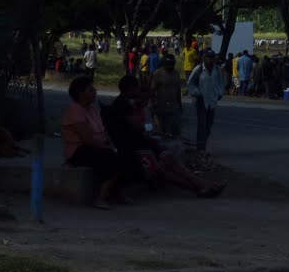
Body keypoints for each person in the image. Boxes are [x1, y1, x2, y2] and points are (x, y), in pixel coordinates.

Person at [104, 75, 225, 198]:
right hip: (135, 146)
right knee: (169, 167)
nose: (138, 92)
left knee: (171, 166)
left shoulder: (126, 103)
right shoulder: (124, 105)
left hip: (138, 144)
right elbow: (139, 126)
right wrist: (138, 110)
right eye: (136, 88)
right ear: (130, 89)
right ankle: (200, 186)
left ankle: (200, 186)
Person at [61, 76, 123, 210]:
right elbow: (87, 139)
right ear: (81, 93)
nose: (94, 92)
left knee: (123, 154)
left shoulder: (92, 110)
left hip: (95, 146)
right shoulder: (75, 110)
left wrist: (110, 144)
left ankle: (115, 193)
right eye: (90, 90)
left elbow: (103, 132)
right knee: (110, 157)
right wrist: (108, 148)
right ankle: (100, 196)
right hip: (79, 150)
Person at [187, 52, 224, 154]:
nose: (210, 60)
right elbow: (190, 84)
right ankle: (200, 148)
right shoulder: (199, 69)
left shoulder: (216, 69)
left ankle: (203, 144)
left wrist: (219, 93)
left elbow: (220, 82)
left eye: (212, 58)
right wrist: (197, 93)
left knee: (209, 124)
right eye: (208, 57)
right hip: (201, 101)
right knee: (202, 124)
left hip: (212, 101)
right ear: (204, 58)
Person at [150, 53, 182, 136]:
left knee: (174, 130)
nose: (170, 66)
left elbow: (178, 90)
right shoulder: (158, 73)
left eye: (172, 64)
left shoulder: (176, 73)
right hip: (161, 107)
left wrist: (180, 104)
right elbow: (152, 90)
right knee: (161, 131)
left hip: (173, 107)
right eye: (168, 64)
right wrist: (153, 104)